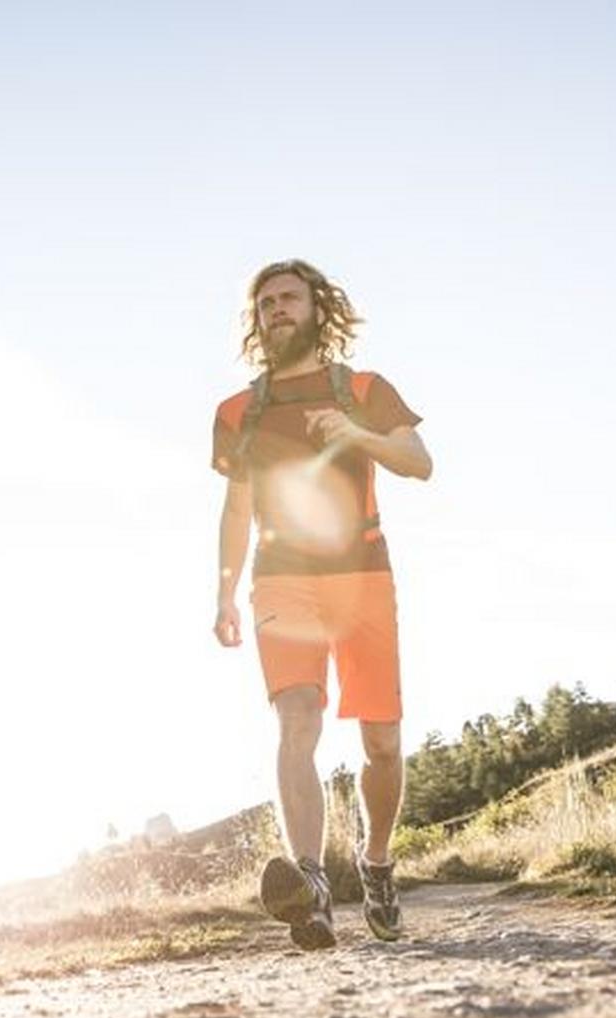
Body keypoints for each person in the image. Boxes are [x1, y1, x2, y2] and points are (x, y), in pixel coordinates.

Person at [211, 259, 433, 950]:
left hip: (362, 574)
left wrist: (357, 433)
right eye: (267, 302)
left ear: (318, 308)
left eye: (289, 298)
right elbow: (237, 506)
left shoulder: (364, 388)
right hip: (280, 579)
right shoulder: (237, 411)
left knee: (382, 742)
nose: (277, 309)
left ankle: (377, 863)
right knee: (296, 718)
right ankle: (309, 884)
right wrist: (224, 589)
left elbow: (419, 461)